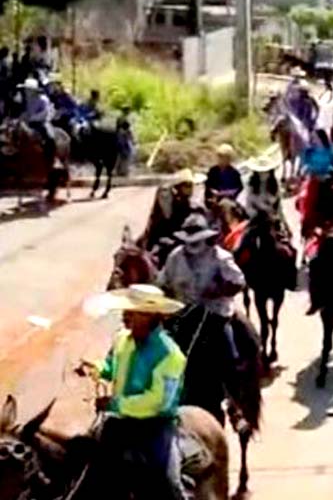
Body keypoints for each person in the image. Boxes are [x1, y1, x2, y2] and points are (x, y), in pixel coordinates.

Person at [79, 284, 188, 500]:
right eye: (125, 311)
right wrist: (96, 368)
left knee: (168, 483)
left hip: (154, 427)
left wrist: (114, 404)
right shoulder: (122, 339)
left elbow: (158, 402)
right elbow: (112, 366)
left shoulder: (170, 355)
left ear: (151, 315)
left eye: (132, 312)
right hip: (119, 422)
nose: (125, 316)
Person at [157, 214, 247, 370]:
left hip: (214, 312)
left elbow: (238, 282)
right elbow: (163, 283)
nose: (192, 243)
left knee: (229, 356)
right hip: (181, 312)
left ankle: (232, 378)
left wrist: (218, 290)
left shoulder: (220, 257)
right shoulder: (175, 257)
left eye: (197, 239)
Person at [138, 169, 207, 264]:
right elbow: (161, 225)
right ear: (179, 187)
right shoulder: (169, 203)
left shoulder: (195, 207)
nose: (191, 189)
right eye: (187, 185)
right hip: (166, 241)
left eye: (191, 185)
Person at [300, 128, 333, 235]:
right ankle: (307, 225)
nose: (313, 140)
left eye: (315, 137)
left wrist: (328, 171)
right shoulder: (308, 151)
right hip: (313, 179)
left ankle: (332, 221)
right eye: (312, 138)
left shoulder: (330, 148)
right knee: (306, 198)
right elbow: (304, 165)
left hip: (328, 178)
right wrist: (308, 170)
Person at [19, 77, 55, 163]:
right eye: (26, 89)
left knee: (50, 137)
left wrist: (33, 117)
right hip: (28, 123)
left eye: (28, 90)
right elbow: (26, 112)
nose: (26, 91)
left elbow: (45, 112)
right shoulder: (27, 100)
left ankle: (50, 159)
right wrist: (23, 117)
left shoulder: (43, 99)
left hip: (41, 123)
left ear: (34, 90)